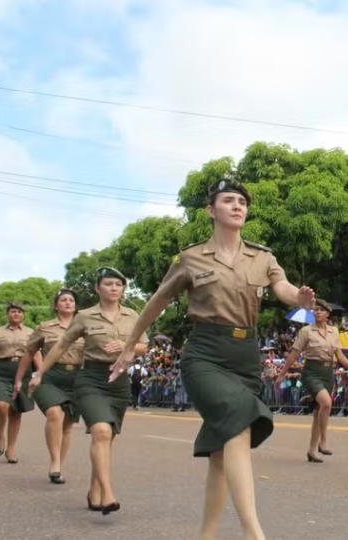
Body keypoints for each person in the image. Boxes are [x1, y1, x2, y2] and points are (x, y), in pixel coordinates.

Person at [108, 177, 315, 540]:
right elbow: (157, 300)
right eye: (229, 201)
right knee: (238, 426)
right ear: (210, 210)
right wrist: (130, 344)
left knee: (221, 455)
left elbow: (281, 288)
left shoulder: (263, 256)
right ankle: (254, 532)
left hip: (245, 357)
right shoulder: (190, 258)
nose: (238, 206)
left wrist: (299, 298)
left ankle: (205, 535)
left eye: (242, 202)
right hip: (204, 354)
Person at [29, 267, 148, 515]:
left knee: (106, 438)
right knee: (101, 432)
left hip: (119, 381)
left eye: (118, 284)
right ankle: (108, 493)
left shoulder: (132, 315)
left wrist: (127, 346)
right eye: (108, 284)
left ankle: (94, 491)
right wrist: (39, 374)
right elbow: (62, 344)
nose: (114, 288)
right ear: (97, 288)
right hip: (91, 379)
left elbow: (144, 346)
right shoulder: (84, 316)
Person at [274, 299, 348, 462]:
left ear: (328, 313)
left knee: (318, 412)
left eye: (321, 310)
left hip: (327, 372)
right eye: (315, 309)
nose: (317, 312)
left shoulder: (334, 331)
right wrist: (282, 373)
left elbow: (339, 354)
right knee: (326, 403)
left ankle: (312, 450)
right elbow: (294, 354)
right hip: (311, 371)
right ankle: (323, 441)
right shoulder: (306, 331)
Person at [14, 288, 83, 483]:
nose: (68, 302)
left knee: (68, 424)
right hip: (49, 375)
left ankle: (59, 466)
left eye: (71, 300)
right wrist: (19, 380)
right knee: (55, 413)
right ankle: (54, 461)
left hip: (76, 376)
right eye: (63, 300)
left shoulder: (84, 327)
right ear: (55, 305)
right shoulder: (44, 327)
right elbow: (29, 353)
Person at [0, 302, 34, 463]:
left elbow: (35, 354)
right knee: (0, 405)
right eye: (13, 311)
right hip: (2, 370)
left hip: (23, 371)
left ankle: (11, 449)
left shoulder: (31, 333)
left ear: (23, 315)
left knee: (16, 412)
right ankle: (0, 436)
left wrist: (40, 375)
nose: (16, 314)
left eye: (19, 311)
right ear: (8, 314)